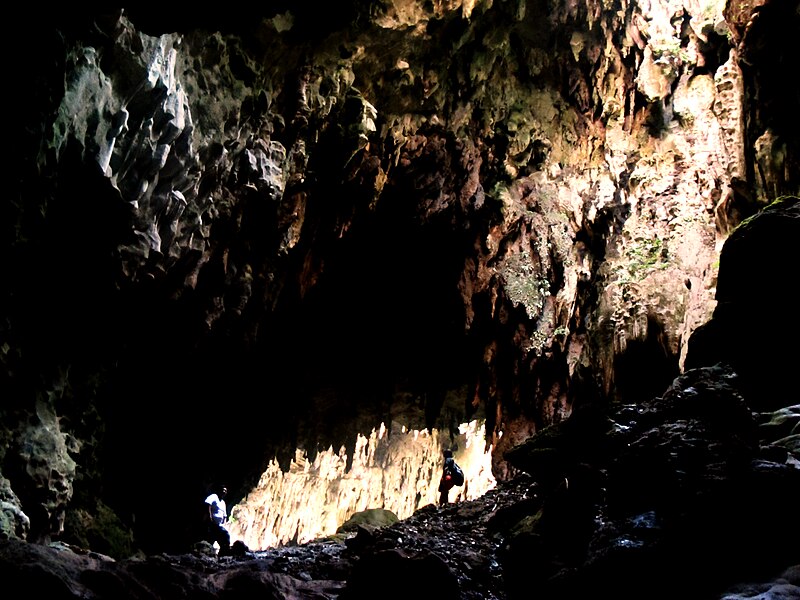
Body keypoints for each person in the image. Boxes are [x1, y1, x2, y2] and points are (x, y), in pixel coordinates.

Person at [204, 484, 231, 555]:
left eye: (226, 491)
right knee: (225, 536)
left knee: (214, 539)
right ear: (219, 490)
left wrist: (224, 523)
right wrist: (209, 516)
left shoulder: (223, 502)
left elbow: (224, 514)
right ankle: (221, 554)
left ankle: (220, 554)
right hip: (212, 523)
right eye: (223, 490)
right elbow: (208, 504)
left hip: (219, 524)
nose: (224, 492)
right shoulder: (213, 497)